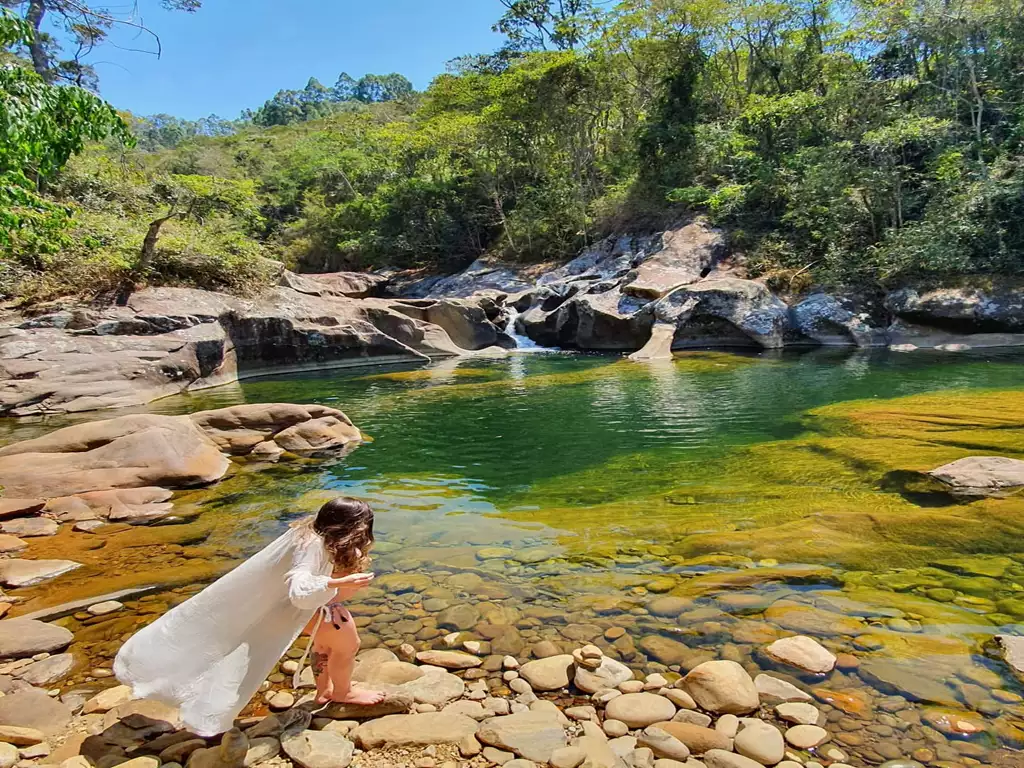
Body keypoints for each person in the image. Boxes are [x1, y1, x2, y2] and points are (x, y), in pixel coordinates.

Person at [114, 497, 383, 737]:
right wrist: (337, 583)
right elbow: (299, 587)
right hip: (311, 607)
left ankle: (324, 690)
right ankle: (342, 692)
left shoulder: (310, 532)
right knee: (348, 646)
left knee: (324, 645)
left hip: (305, 609)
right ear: (352, 527)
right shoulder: (312, 547)